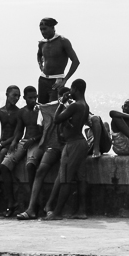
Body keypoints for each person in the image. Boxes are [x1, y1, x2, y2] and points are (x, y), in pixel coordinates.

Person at [17, 87, 70, 220]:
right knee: (40, 170)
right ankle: (31, 208)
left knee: (62, 172)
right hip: (53, 145)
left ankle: (49, 205)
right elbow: (41, 129)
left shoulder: (75, 107)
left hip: (69, 146)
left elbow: (92, 119)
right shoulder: (46, 108)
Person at [41, 79, 90, 221]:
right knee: (81, 178)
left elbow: (56, 119)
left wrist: (61, 102)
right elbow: (73, 123)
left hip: (73, 144)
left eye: (72, 90)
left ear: (76, 89)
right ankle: (82, 211)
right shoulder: (85, 105)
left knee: (66, 179)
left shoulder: (75, 105)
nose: (70, 92)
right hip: (81, 143)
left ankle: (57, 212)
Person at [0, 86, 43, 216]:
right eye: (30, 98)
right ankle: (11, 203)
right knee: (5, 166)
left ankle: (33, 205)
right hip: (24, 141)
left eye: (35, 97)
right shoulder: (22, 112)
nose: (33, 100)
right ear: (25, 98)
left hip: (37, 142)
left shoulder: (40, 111)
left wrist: (33, 139)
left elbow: (45, 132)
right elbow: (19, 131)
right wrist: (13, 142)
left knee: (30, 165)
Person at [37, 17, 80, 104]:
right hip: (43, 79)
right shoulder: (42, 43)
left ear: (52, 28)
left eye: (45, 29)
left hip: (57, 80)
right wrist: (40, 65)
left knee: (53, 106)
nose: (42, 32)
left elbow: (75, 61)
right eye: (41, 29)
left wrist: (65, 80)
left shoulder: (63, 41)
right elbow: (39, 55)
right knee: (42, 106)